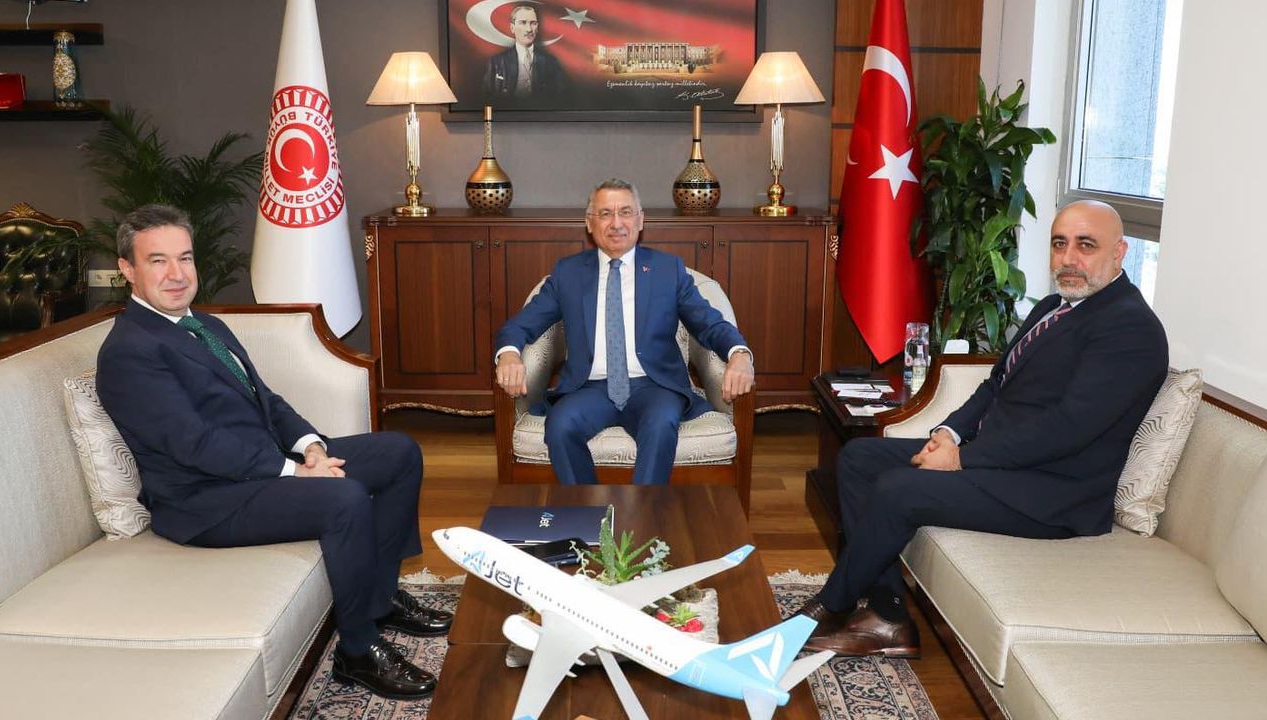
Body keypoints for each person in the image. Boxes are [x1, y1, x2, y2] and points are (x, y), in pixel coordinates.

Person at [96, 204, 451, 701]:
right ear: (127, 269)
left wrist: (311, 447)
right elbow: (194, 443)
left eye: (185, 258)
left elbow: (267, 400)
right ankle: (356, 650)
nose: (176, 274)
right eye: (158, 261)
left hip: (260, 469)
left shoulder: (203, 325)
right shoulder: (129, 351)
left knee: (398, 452)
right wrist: (294, 472)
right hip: (207, 500)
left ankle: (379, 598)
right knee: (343, 497)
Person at [794, 200, 1168, 657]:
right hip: (1002, 464)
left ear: (1120, 252)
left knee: (898, 489)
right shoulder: (1054, 306)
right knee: (859, 459)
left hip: (1052, 493)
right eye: (1059, 244)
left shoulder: (1130, 327)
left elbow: (1068, 428)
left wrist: (963, 458)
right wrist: (949, 434)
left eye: (1085, 246)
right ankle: (888, 615)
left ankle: (829, 605)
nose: (1069, 258)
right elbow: (995, 385)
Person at [495, 178, 755, 485]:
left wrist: (739, 354)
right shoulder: (568, 273)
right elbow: (521, 324)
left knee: (660, 425)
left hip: (654, 386)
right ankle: (589, 510)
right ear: (589, 223)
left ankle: (641, 512)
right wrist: (509, 355)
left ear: (640, 220)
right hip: (589, 388)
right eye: (605, 214)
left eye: (626, 212)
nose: (616, 223)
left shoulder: (668, 270)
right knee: (560, 427)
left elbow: (709, 322)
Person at [481, 3, 566, 103]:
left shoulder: (551, 62)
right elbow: (487, 98)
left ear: (537, 28)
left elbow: (559, 98)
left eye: (533, 23)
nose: (529, 29)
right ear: (512, 27)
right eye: (523, 22)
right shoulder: (496, 62)